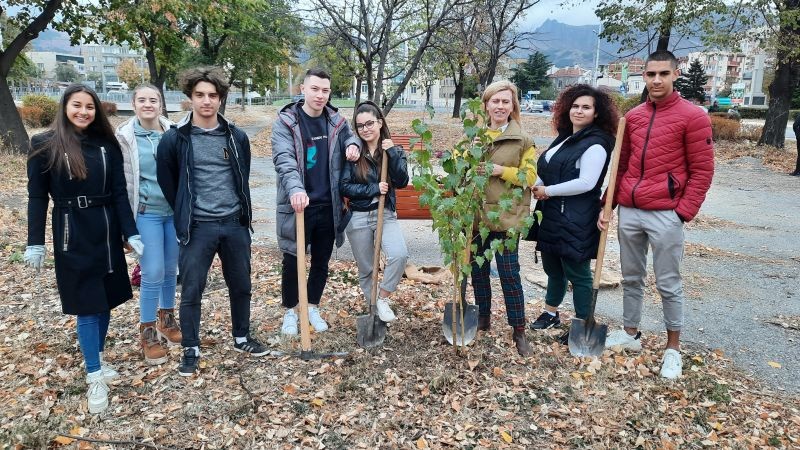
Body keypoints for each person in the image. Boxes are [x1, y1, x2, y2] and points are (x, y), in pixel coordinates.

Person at [25, 84, 143, 414]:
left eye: (89, 107)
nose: (83, 112)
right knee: (87, 305)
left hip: (106, 232)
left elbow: (119, 193)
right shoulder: (44, 144)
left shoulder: (106, 143)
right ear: (65, 107)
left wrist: (131, 233)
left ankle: (97, 358)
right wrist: (35, 242)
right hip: (72, 232)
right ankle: (94, 376)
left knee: (104, 300)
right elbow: (37, 197)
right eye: (77, 105)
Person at [599, 50, 714, 379]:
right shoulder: (633, 117)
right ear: (644, 76)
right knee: (631, 277)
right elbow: (621, 166)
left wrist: (682, 213)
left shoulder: (693, 117)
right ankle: (631, 333)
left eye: (664, 73)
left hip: (666, 213)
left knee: (668, 282)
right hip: (630, 211)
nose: (657, 80)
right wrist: (608, 205)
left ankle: (672, 349)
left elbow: (702, 171)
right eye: (651, 74)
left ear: (676, 74)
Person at [156, 67, 266, 377]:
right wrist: (186, 210)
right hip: (197, 227)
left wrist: (239, 216)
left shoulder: (236, 137)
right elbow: (168, 181)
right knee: (192, 289)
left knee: (241, 284)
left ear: (221, 99)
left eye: (213, 95)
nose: (206, 101)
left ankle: (241, 337)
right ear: (190, 98)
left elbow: (242, 175)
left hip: (234, 224)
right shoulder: (175, 139)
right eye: (200, 95)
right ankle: (190, 347)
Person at [272, 69, 361, 335]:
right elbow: (284, 160)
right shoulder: (286, 122)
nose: (320, 95)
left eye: (325, 90)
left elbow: (351, 136)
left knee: (321, 261)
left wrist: (353, 145)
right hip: (298, 205)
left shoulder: (336, 121)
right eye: (315, 89)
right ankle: (291, 311)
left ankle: (311, 306)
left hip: (328, 205)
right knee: (292, 260)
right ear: (303, 89)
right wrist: (296, 189)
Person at [529, 84, 619, 344]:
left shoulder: (597, 144)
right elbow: (547, 171)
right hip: (551, 213)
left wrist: (548, 191)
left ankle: (582, 322)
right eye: (575, 106)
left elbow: (587, 182)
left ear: (596, 113)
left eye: (586, 107)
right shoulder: (565, 137)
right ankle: (551, 313)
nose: (579, 111)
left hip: (576, 216)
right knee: (552, 267)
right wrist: (534, 183)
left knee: (577, 272)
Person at [460, 80, 537, 356]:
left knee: (508, 273)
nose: (500, 106)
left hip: (507, 216)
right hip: (477, 216)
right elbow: (460, 170)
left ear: (513, 105)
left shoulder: (523, 140)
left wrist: (499, 170)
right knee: (479, 271)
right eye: (495, 101)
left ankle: (519, 329)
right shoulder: (474, 136)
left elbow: (529, 177)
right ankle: (483, 318)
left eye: (506, 101)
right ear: (486, 105)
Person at [116, 84, 180, 365]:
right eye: (142, 100)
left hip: (173, 213)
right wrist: (124, 227)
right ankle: (148, 331)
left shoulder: (173, 133)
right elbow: (120, 183)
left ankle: (167, 318)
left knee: (170, 268)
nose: (148, 104)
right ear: (134, 104)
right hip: (146, 213)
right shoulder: (124, 137)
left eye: (153, 100)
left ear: (161, 104)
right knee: (152, 271)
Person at [340, 101, 409, 321]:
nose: (365, 129)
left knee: (399, 254)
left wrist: (393, 154)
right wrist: (374, 188)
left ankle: (382, 299)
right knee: (367, 268)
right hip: (358, 216)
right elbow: (344, 187)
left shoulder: (393, 151)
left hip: (384, 214)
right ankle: (373, 310)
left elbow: (401, 181)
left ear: (380, 123)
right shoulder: (353, 154)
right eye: (360, 126)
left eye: (369, 123)